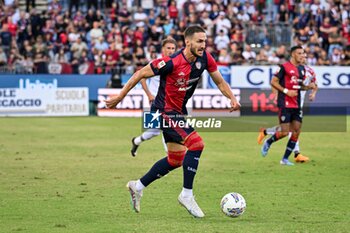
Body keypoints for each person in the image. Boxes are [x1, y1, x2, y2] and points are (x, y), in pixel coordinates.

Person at [105, 25, 240, 218]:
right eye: (199, 41)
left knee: (176, 159)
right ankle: (187, 195)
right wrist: (120, 97)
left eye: (205, 41)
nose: (203, 45)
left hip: (177, 112)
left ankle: (138, 186)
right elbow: (140, 74)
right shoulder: (171, 62)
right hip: (164, 111)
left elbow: (219, 81)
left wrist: (232, 98)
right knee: (197, 144)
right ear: (188, 42)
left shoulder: (205, 58)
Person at [257, 52, 318, 163]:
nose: (303, 58)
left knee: (294, 129)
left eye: (304, 56)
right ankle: (296, 153)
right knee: (288, 130)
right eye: (301, 55)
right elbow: (275, 83)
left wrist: (313, 92)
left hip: (299, 103)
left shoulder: (309, 71)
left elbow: (314, 85)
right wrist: (276, 95)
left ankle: (266, 133)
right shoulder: (286, 69)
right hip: (287, 102)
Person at [131, 37, 177, 157]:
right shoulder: (156, 63)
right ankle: (170, 154)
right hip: (156, 101)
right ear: (163, 49)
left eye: (173, 48)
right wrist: (149, 94)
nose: (171, 51)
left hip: (169, 102)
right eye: (168, 48)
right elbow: (142, 78)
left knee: (154, 132)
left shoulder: (175, 64)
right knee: (166, 126)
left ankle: (136, 141)